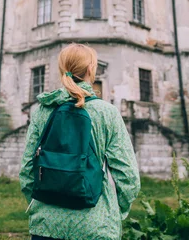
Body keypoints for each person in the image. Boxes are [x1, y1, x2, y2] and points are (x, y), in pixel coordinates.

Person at [19, 43, 141, 240]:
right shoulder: (106, 112)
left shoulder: (43, 111)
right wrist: (115, 212)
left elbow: (26, 170)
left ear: (61, 69)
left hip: (45, 227)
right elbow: (128, 178)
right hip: (95, 227)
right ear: (91, 69)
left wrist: (41, 205)